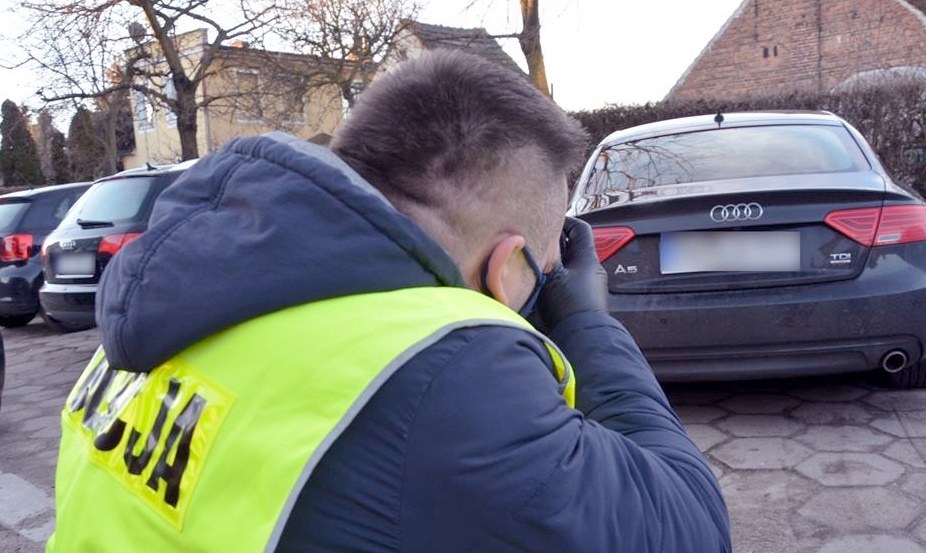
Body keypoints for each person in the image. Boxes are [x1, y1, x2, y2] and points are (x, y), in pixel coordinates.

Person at [47, 50, 731, 552]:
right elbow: (692, 528)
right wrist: (586, 321)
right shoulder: (445, 372)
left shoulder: (182, 303)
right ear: (507, 268)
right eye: (544, 269)